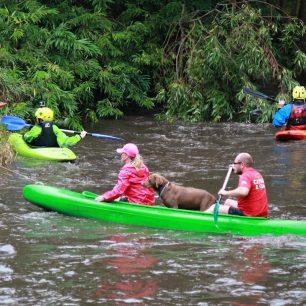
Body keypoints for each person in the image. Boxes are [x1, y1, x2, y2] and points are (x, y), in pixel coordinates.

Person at [205, 153, 268, 217]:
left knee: (214, 208)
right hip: (260, 213)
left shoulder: (245, 176)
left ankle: (201, 219)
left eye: (235, 163)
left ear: (242, 164)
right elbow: (245, 180)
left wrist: (225, 193)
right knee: (227, 202)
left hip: (249, 214)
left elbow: (243, 192)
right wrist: (236, 170)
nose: (233, 165)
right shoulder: (257, 174)